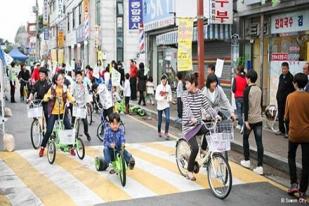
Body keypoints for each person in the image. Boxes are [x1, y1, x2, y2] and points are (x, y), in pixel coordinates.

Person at [181, 72, 218, 181]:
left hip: (198, 124)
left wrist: (216, 115)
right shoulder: (184, 94)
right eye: (185, 84)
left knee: (210, 130)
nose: (186, 86)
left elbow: (207, 106)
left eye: (187, 83)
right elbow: (187, 109)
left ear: (193, 84)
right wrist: (192, 117)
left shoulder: (200, 94)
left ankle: (203, 149)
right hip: (188, 127)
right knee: (194, 148)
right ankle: (189, 171)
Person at [284, 73, 309, 203]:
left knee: (291, 157)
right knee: (306, 163)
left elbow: (286, 117)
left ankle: (294, 184)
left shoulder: (290, 97)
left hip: (293, 133)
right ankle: (303, 190)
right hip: (307, 135)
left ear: (295, 83)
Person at [39, 73, 75, 157]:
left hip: (62, 112)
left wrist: (74, 101)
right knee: (49, 131)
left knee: (69, 128)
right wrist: (49, 97)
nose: (62, 80)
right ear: (56, 81)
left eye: (62, 79)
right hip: (53, 113)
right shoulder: (52, 88)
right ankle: (42, 148)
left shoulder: (65, 88)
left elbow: (69, 96)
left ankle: (70, 148)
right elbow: (45, 97)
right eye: (59, 79)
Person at [240, 70, 264, 175]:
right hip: (259, 119)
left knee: (245, 138)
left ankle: (247, 160)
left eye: (246, 77)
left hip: (250, 120)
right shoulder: (259, 89)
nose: (246, 79)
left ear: (249, 78)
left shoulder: (247, 90)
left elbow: (245, 106)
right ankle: (260, 166)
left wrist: (245, 121)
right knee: (259, 142)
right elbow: (260, 104)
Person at [276, 62, 294, 137]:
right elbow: (279, 87)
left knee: (287, 116)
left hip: (287, 100)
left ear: (288, 68)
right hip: (280, 99)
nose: (283, 70)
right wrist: (277, 95)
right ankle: (281, 130)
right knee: (280, 115)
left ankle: (288, 132)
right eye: (282, 68)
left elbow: (292, 90)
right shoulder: (281, 76)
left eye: (285, 69)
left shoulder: (291, 77)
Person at [71, 70, 91, 141]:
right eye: (77, 76)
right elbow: (71, 93)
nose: (78, 78)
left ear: (82, 77)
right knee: (72, 121)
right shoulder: (74, 84)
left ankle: (86, 133)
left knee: (85, 121)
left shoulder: (84, 84)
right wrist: (72, 100)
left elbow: (86, 93)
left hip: (82, 105)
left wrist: (88, 101)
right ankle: (72, 134)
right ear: (75, 77)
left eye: (80, 76)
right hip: (75, 104)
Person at [155, 74, 172, 140]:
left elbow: (170, 95)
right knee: (160, 121)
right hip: (160, 105)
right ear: (161, 80)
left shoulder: (168, 87)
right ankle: (159, 131)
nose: (164, 81)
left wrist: (170, 99)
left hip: (166, 105)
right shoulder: (158, 87)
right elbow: (156, 97)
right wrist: (162, 98)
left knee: (168, 119)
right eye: (163, 79)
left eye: (165, 79)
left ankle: (166, 132)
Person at [232, 65, 247, 131]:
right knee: (243, 112)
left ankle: (242, 125)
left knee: (239, 112)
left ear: (238, 70)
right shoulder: (246, 78)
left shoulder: (236, 78)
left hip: (238, 97)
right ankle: (241, 125)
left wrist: (236, 91)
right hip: (244, 97)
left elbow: (233, 89)